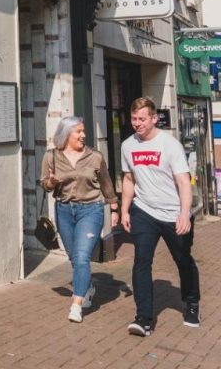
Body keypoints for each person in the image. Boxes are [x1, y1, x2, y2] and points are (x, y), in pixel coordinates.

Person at [121, 97, 200, 336]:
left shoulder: (170, 145)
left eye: (142, 119)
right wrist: (125, 209)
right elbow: (128, 179)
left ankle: (192, 301)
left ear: (154, 118)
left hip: (174, 212)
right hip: (144, 210)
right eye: (134, 119)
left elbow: (183, 182)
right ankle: (143, 318)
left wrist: (185, 214)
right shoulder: (127, 145)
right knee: (141, 261)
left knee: (183, 259)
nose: (137, 123)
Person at [40, 116, 118, 323]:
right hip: (64, 210)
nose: (83, 135)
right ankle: (88, 287)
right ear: (66, 134)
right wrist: (51, 182)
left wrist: (115, 207)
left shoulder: (95, 157)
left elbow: (106, 183)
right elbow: (45, 186)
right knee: (74, 257)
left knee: (82, 256)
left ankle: (76, 305)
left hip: (91, 210)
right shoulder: (52, 157)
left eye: (84, 131)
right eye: (79, 132)